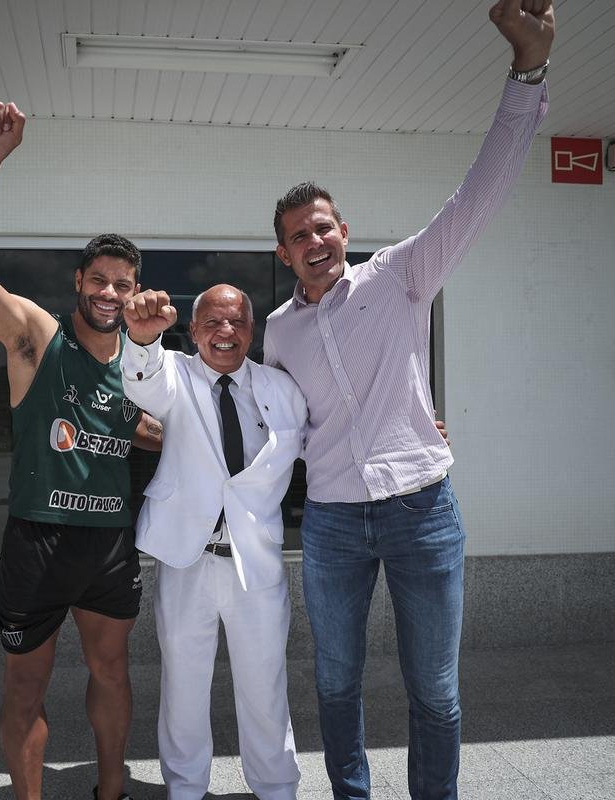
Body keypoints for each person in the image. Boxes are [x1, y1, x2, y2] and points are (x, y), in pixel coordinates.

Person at [263, 2, 555, 799]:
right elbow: (276, 428)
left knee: (436, 693)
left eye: (322, 226)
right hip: (329, 523)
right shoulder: (279, 333)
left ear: (342, 229)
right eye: (297, 235)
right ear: (283, 252)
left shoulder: (401, 274)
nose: (313, 241)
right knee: (335, 686)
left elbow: (479, 192)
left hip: (422, 511)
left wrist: (527, 72)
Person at [0, 101, 161, 800]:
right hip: (38, 542)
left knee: (113, 673)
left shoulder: (148, 359)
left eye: (124, 282)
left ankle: (111, 791)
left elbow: (192, 432)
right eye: (99, 279)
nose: (111, 292)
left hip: (110, 548)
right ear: (79, 284)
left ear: (135, 290)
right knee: (26, 687)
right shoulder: (38, 336)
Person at [119, 285, 306, 800]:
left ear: (252, 330)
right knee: (183, 686)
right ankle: (185, 789)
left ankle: (276, 788)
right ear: (195, 329)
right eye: (212, 323)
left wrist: (408, 435)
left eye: (237, 322)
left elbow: (328, 443)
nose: (225, 333)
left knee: (266, 688)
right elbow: (140, 380)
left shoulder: (281, 389)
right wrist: (139, 338)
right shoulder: (173, 374)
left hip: (257, 566)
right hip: (187, 563)